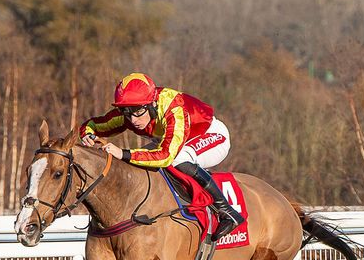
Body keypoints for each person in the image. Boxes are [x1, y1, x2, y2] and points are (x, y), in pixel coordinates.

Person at [80, 72, 243, 241]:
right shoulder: (130, 112)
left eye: (138, 111)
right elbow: (91, 125)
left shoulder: (173, 108)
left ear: (151, 104)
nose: (133, 118)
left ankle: (227, 212)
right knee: (139, 162)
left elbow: (165, 156)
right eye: (126, 111)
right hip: (175, 141)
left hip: (212, 135)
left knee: (178, 158)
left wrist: (123, 153)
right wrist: (88, 135)